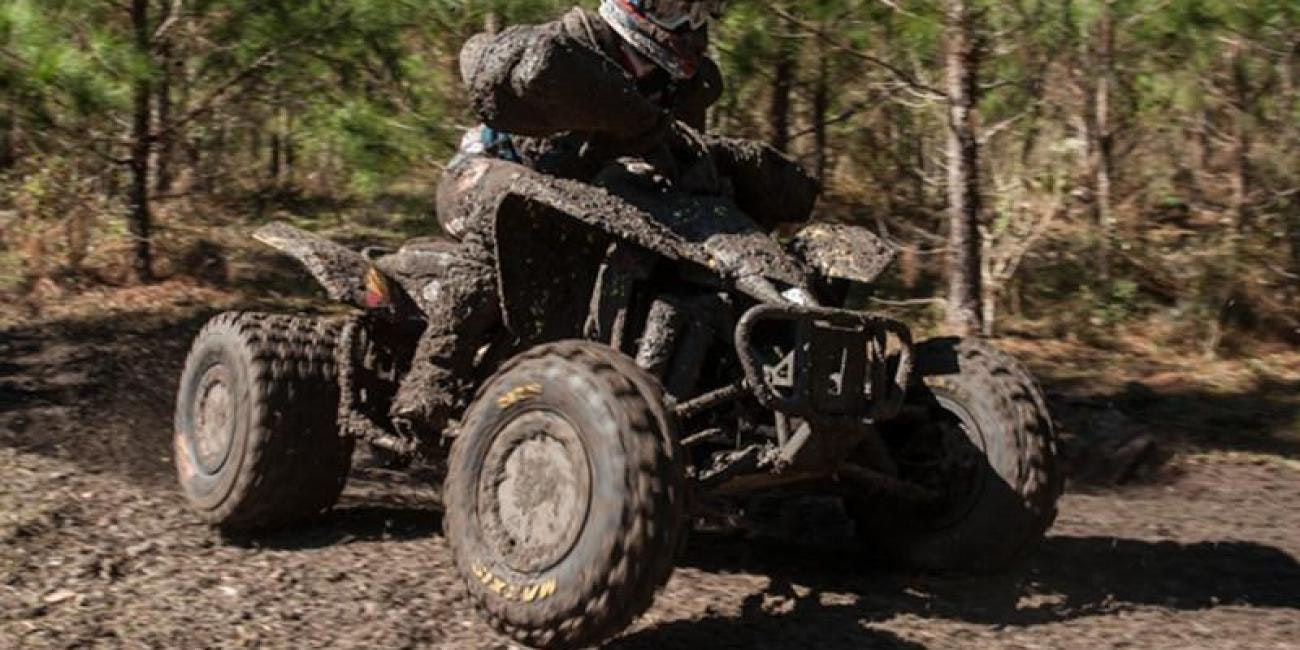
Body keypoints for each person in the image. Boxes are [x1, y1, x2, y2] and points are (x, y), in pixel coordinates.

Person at [390, 0, 820, 435]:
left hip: (596, 202)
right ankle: (432, 376)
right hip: (488, 175)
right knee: (514, 199)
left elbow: (669, 157)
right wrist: (621, 113)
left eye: (698, 10)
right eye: (673, 8)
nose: (688, 24)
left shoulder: (689, 82)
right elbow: (493, 66)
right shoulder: (574, 40)